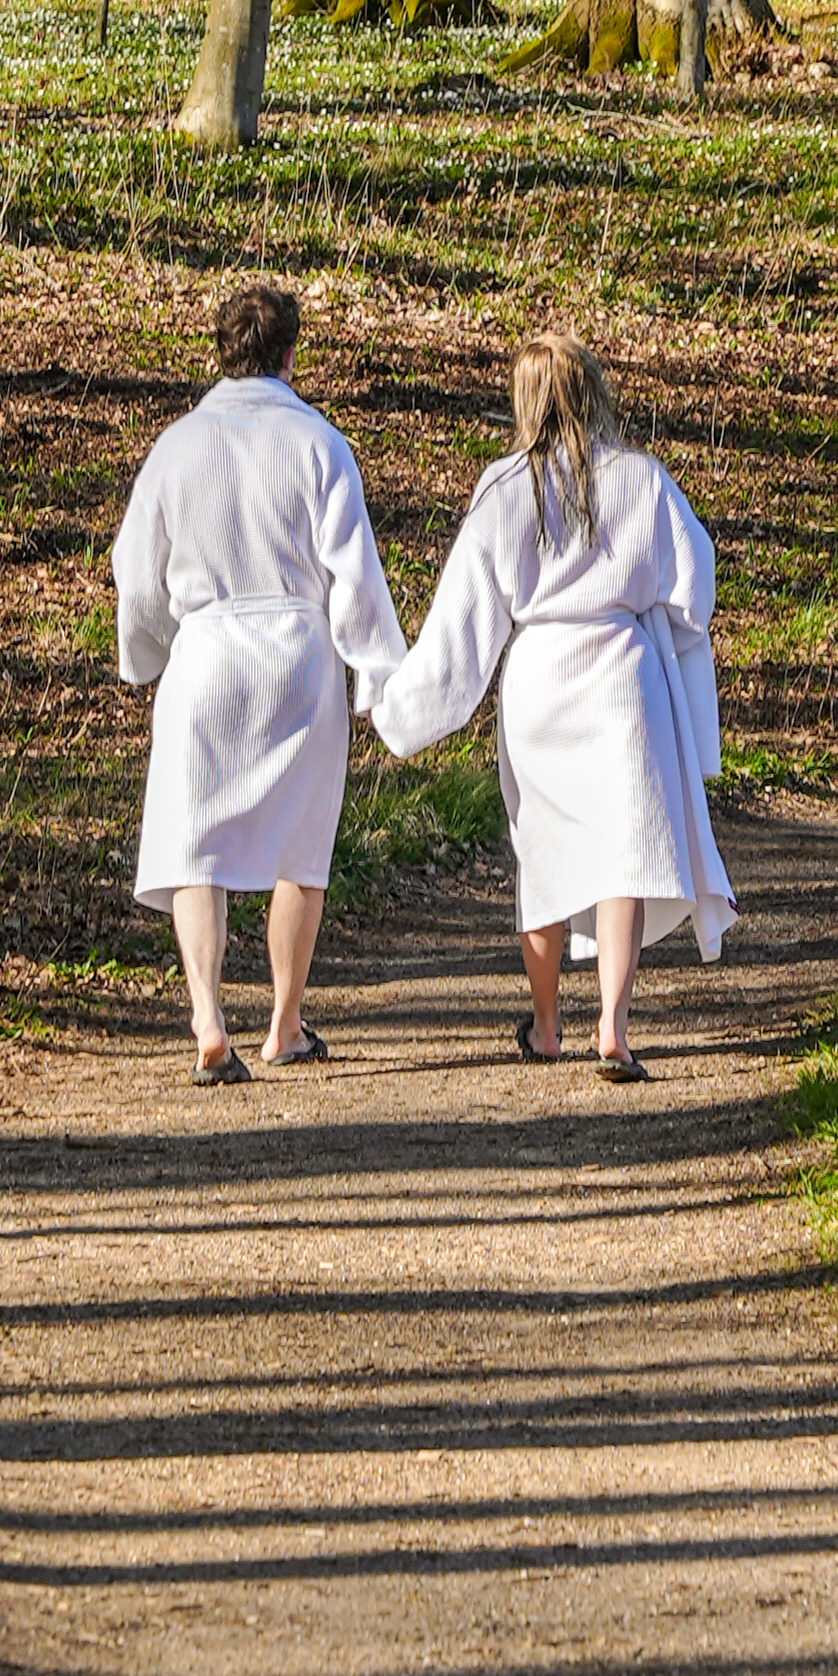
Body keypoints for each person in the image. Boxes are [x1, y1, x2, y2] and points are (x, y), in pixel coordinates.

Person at [369, 334, 728, 1079]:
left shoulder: (503, 489)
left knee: (544, 853)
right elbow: (694, 585)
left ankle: (545, 1023)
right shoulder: (641, 477)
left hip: (538, 681)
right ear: (594, 389)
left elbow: (462, 623)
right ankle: (614, 1028)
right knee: (624, 854)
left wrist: (396, 707)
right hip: (624, 680)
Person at [109, 280, 405, 1081]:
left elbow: (137, 575)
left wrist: (148, 652)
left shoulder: (176, 445)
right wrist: (382, 675)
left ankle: (208, 1019)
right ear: (288, 354)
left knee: (193, 845)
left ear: (220, 353)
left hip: (205, 657)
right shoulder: (319, 444)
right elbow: (354, 574)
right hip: (298, 661)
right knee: (299, 852)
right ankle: (283, 1022)